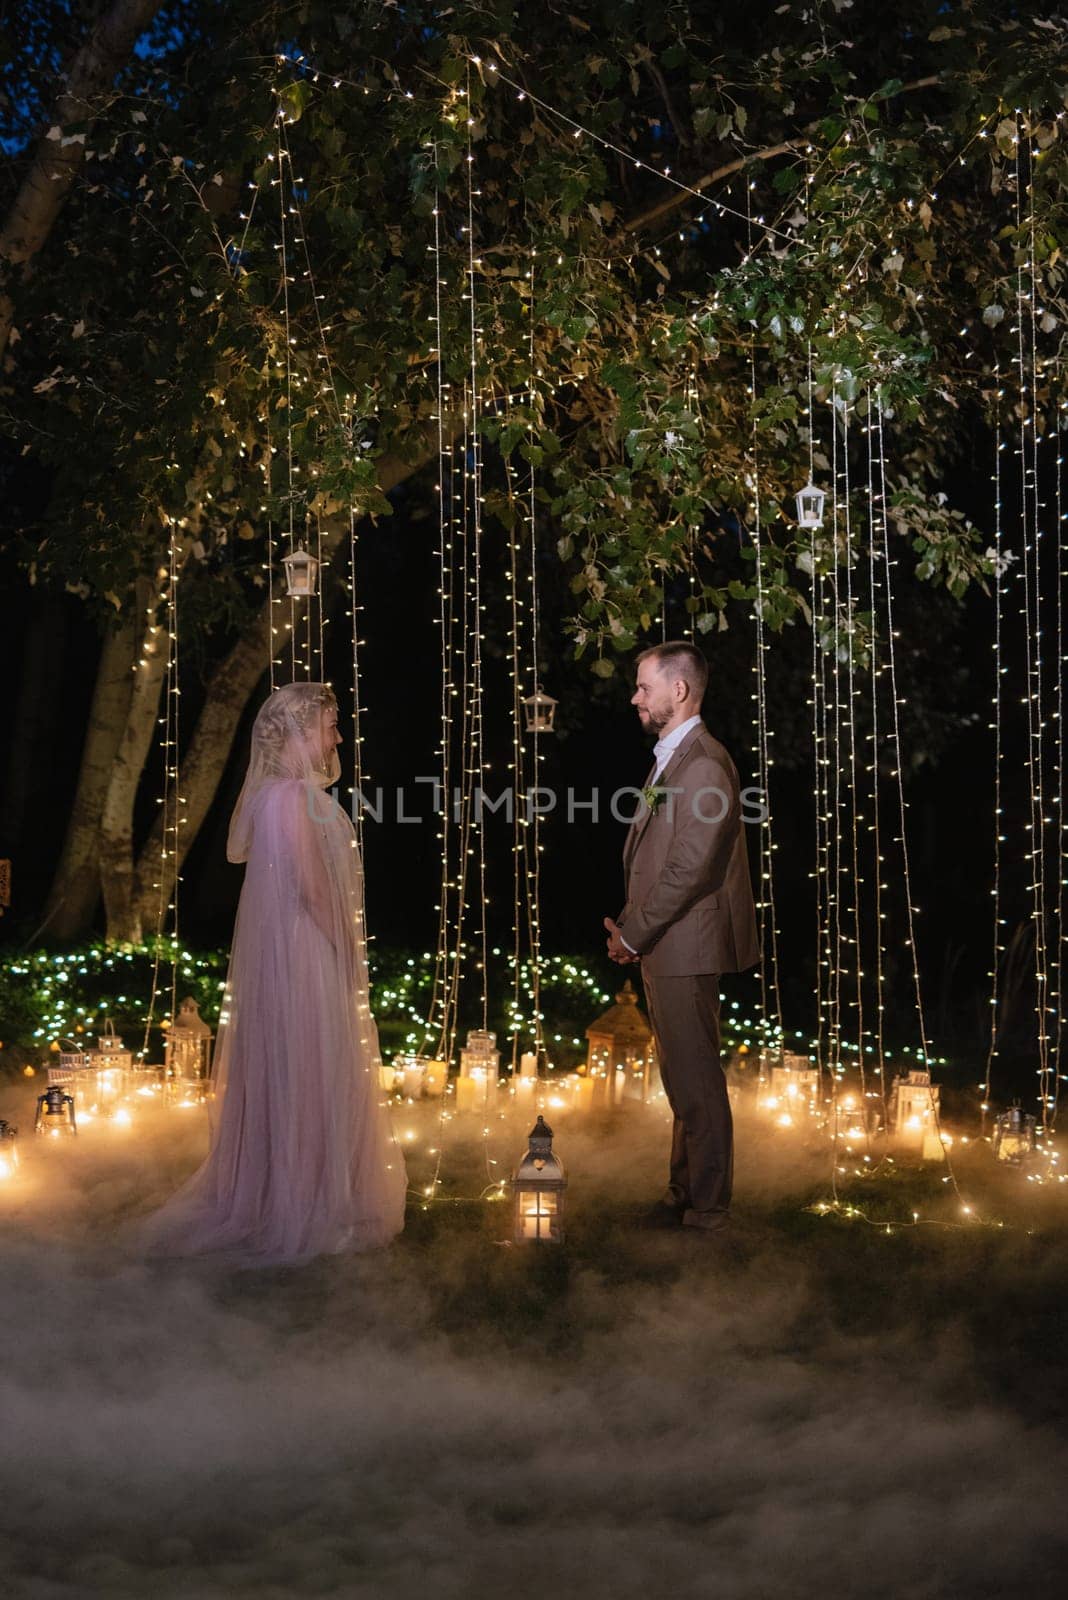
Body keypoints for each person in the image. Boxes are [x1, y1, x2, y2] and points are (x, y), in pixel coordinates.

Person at [142, 681, 406, 1266]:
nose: (338, 737)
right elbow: (312, 889)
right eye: (331, 726)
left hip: (292, 949)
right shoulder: (289, 798)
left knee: (302, 1067)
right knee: (310, 1066)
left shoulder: (287, 795)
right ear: (300, 731)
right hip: (304, 952)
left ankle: (298, 1192)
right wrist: (346, 953)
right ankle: (300, 1204)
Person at [604, 642, 759, 1234]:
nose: (634, 697)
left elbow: (688, 871)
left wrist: (634, 934)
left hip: (682, 945)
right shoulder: (673, 758)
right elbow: (655, 854)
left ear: (679, 690)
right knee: (682, 1079)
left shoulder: (703, 766)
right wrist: (630, 926)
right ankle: (684, 1190)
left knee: (697, 1082)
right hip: (663, 942)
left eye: (644, 687)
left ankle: (709, 1208)